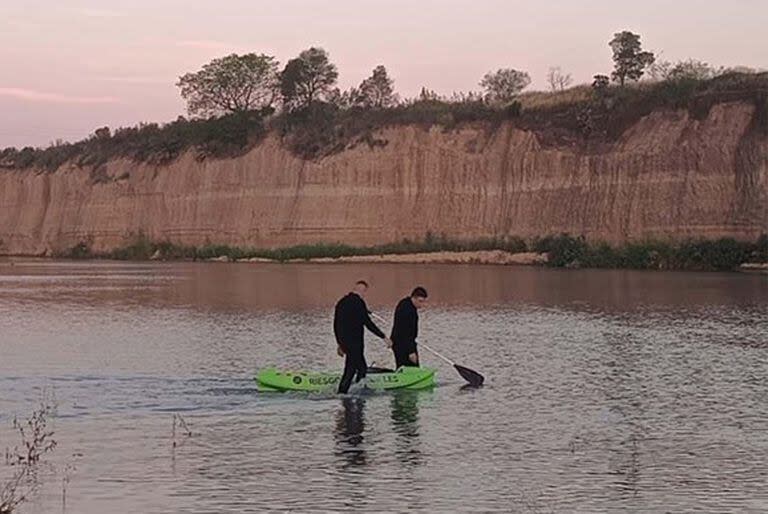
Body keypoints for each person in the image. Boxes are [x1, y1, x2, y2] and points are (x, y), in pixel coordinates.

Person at [334, 280, 390, 394]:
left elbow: (336, 324)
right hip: (355, 343)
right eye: (365, 292)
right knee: (350, 369)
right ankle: (342, 393)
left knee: (362, 368)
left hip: (344, 341)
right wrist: (383, 336)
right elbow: (368, 323)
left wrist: (339, 343)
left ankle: (359, 389)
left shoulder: (341, 302)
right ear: (363, 291)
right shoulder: (359, 303)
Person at [390, 286, 428, 368]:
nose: (422, 305)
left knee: (409, 367)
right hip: (402, 343)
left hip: (403, 341)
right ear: (413, 298)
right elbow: (406, 332)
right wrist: (411, 351)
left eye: (423, 302)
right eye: (420, 301)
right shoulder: (408, 310)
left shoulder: (406, 303)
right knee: (409, 368)